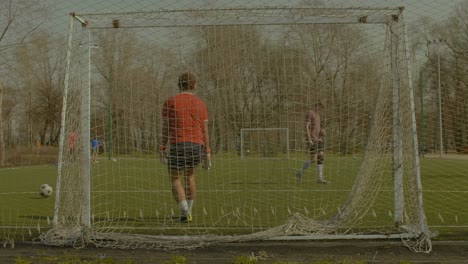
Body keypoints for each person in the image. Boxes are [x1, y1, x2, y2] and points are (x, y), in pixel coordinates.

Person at [159, 72, 211, 223]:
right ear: (194, 85)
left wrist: (162, 147)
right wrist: (207, 152)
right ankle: (189, 211)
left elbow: (166, 128)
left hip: (178, 144)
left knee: (175, 178)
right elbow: (205, 130)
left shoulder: (170, 102)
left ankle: (184, 212)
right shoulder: (200, 103)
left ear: (178, 85)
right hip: (196, 145)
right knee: (189, 176)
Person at [296, 101, 329, 184]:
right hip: (312, 139)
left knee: (321, 156)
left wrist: (322, 131)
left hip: (319, 139)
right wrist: (309, 139)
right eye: (320, 107)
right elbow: (307, 127)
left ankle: (319, 178)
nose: (321, 109)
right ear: (316, 105)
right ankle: (299, 172)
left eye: (322, 108)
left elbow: (317, 127)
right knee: (313, 159)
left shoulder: (318, 115)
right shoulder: (310, 113)